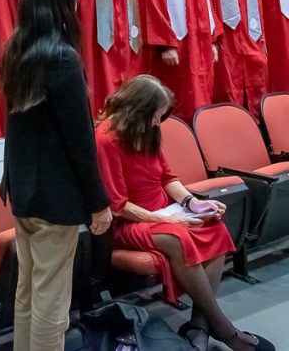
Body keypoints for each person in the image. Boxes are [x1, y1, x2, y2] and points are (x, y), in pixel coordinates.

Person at [94, 76, 274, 351]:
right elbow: (119, 206)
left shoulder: (148, 130)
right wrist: (166, 218)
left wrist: (192, 203)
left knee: (214, 226)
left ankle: (199, 326)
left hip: (164, 211)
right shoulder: (107, 140)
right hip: (130, 221)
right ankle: (225, 330)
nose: (158, 122)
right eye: (155, 115)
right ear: (137, 111)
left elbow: (167, 178)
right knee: (177, 238)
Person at [0, 0, 112, 351]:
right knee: (52, 300)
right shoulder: (62, 58)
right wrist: (99, 203)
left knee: (28, 292)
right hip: (56, 196)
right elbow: (80, 141)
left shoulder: (16, 48)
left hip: (25, 190)